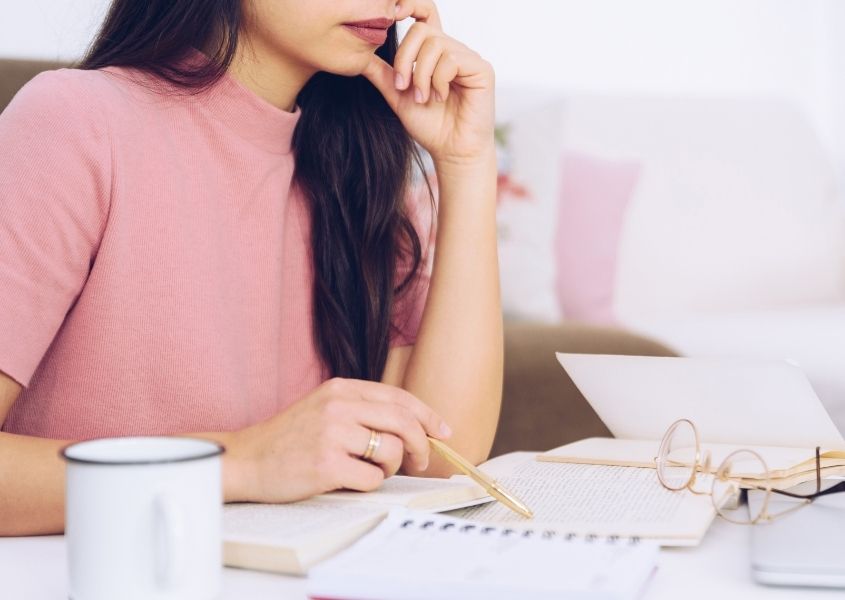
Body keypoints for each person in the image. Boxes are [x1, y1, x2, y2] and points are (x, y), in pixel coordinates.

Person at [0, 0, 502, 536]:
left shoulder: (361, 174)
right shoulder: (75, 123)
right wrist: (240, 462)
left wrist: (466, 163)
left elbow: (442, 462)